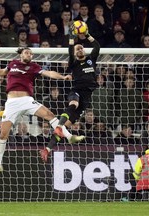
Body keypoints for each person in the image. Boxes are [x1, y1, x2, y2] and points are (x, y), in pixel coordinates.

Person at [0, 47, 84, 174]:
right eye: (27, 52)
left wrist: (62, 77)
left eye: (31, 53)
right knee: (3, 134)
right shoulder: (13, 64)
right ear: (21, 54)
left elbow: (49, 73)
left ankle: (69, 136)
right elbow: (3, 71)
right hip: (11, 102)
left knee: (49, 115)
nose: (29, 55)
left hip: (27, 100)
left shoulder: (34, 67)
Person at [39, 24, 100, 162]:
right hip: (76, 91)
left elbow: (97, 46)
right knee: (73, 103)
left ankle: (47, 149)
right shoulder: (73, 63)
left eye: (81, 48)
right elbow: (70, 50)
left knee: (66, 126)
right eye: (77, 49)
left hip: (87, 97)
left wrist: (88, 34)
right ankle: (59, 126)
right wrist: (72, 39)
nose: (79, 50)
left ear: (84, 50)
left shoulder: (91, 59)